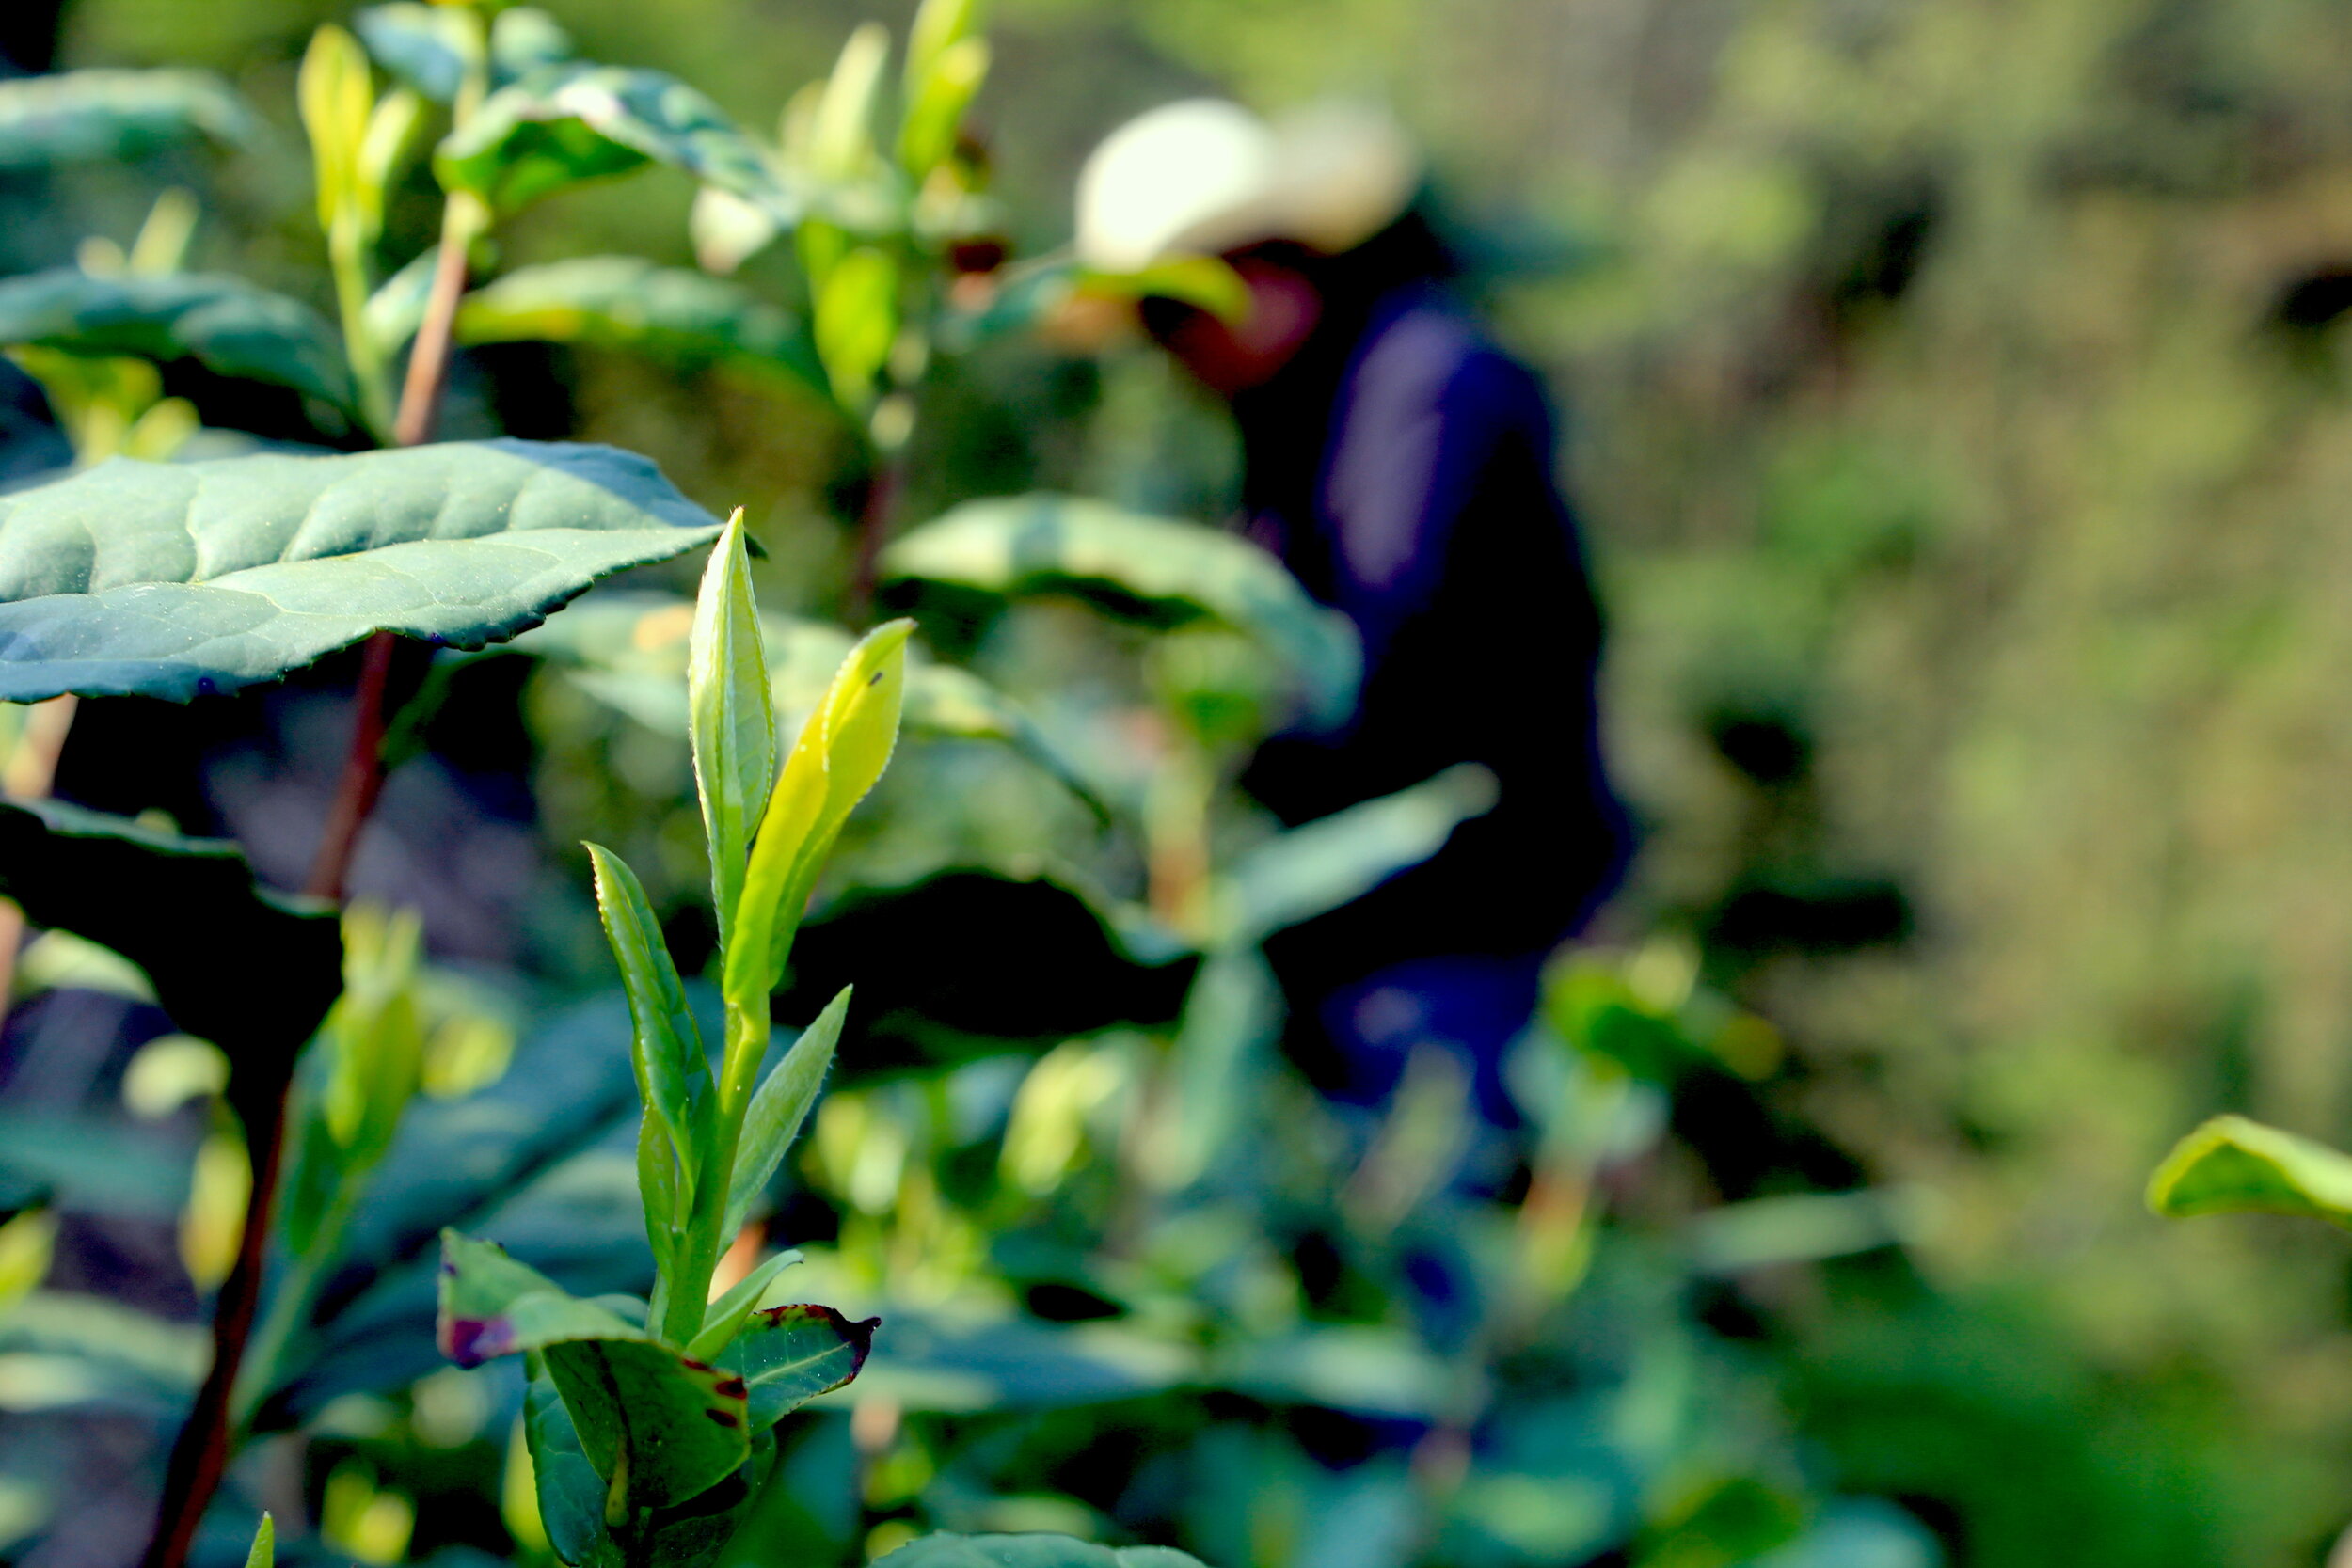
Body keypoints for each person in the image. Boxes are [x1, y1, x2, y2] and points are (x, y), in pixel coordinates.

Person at [1074, 101, 1629, 1124]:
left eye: (1172, 316)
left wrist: (1211, 752)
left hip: (1461, 926)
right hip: (1362, 931)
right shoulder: (1305, 413)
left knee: (1421, 1222)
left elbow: (1390, 656)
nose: (1171, 356)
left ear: (1258, 267)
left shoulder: (1423, 390)